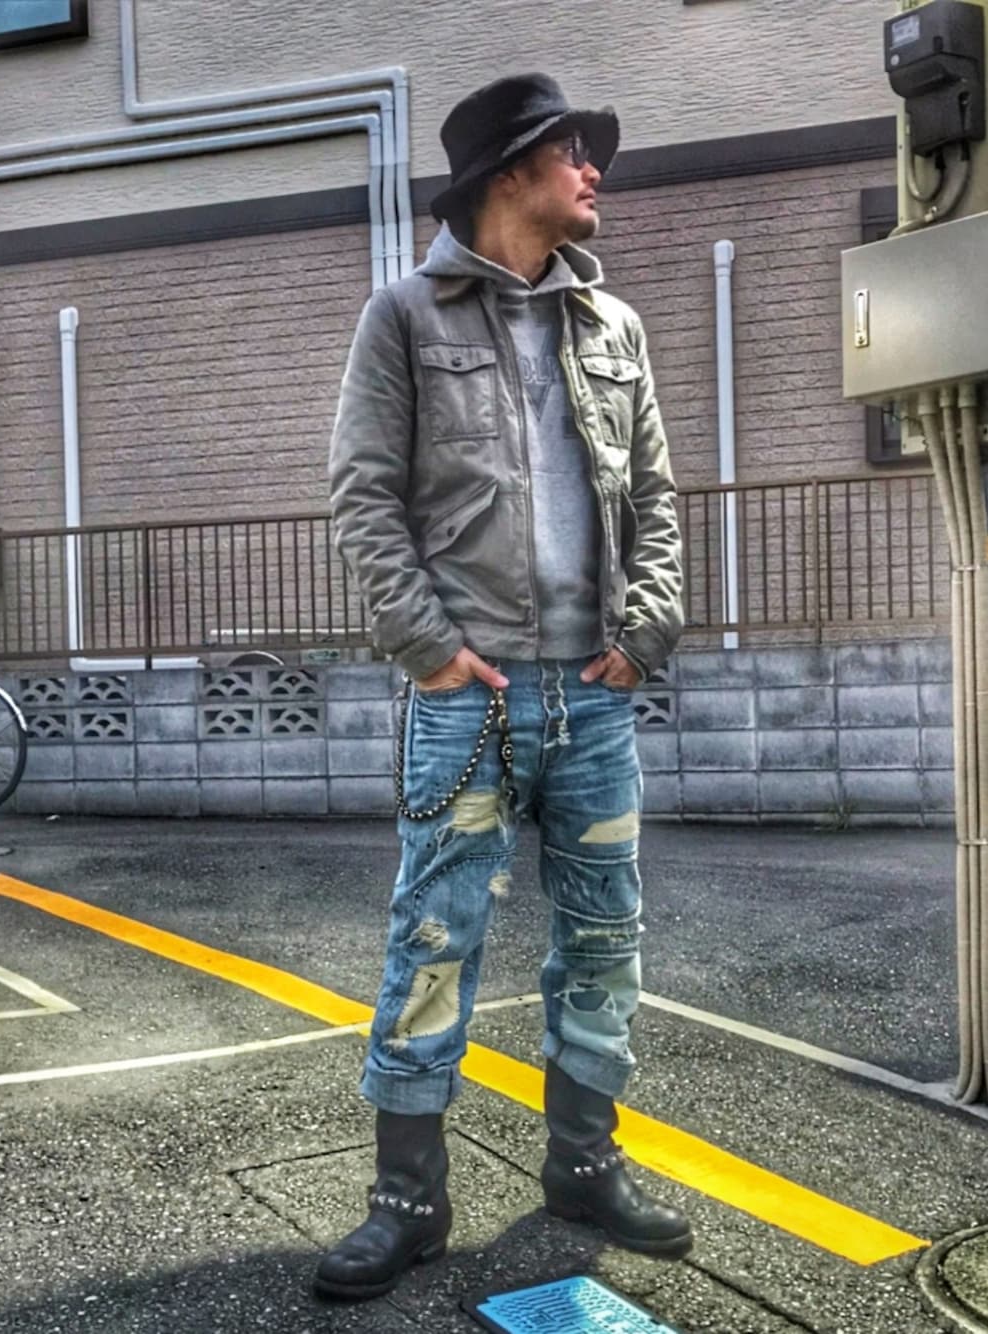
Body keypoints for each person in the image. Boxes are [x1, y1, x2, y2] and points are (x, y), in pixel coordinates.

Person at [316, 72, 690, 1302]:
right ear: (509, 174)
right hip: (464, 697)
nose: (594, 172)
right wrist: (425, 644)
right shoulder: (403, 318)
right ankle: (407, 1199)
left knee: (605, 934)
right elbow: (364, 495)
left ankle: (583, 1163)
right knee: (433, 936)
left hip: (594, 694)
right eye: (572, 152)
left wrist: (645, 629)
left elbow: (655, 498)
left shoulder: (613, 325)